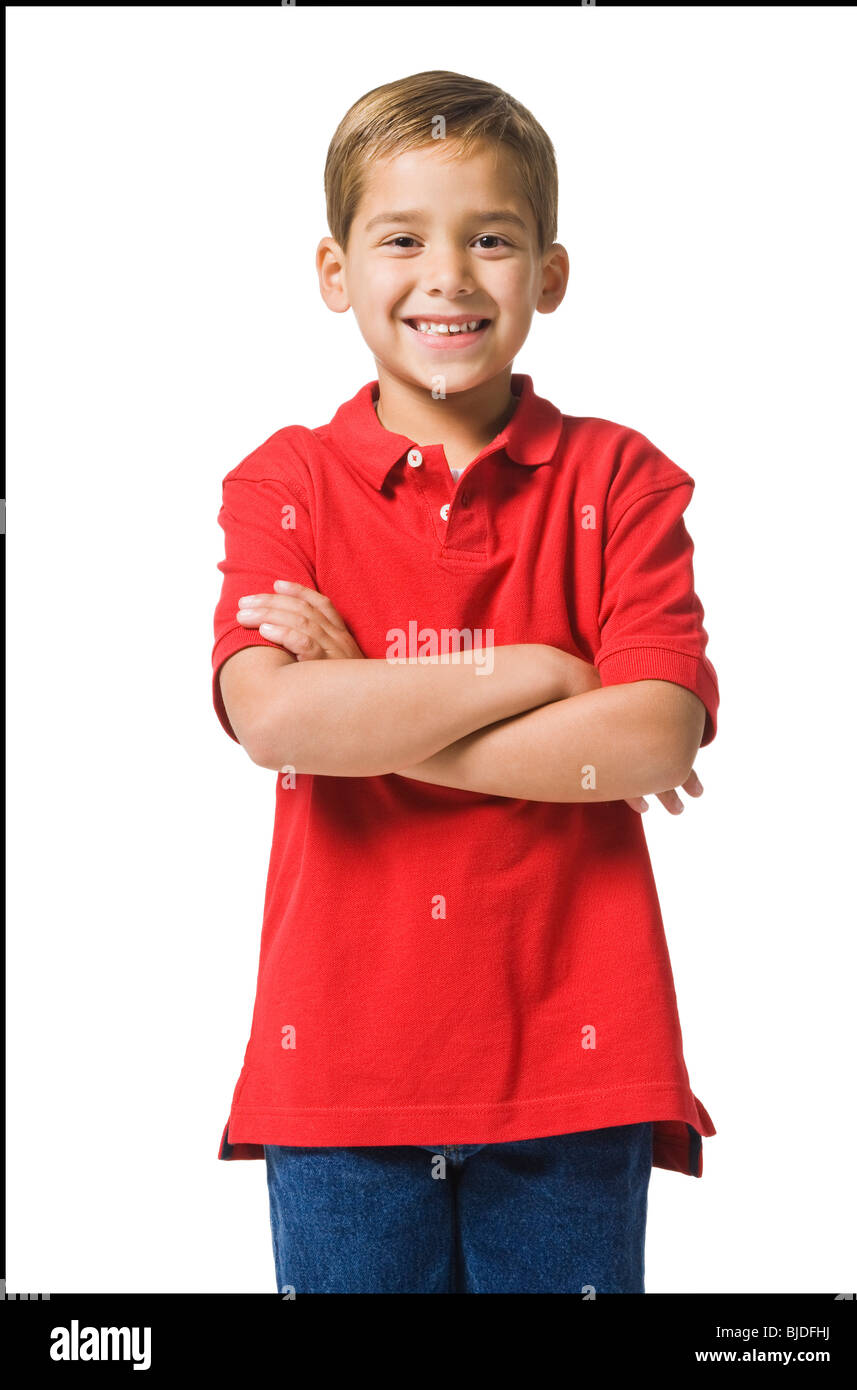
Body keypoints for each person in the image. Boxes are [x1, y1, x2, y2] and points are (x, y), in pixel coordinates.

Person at [211, 69, 720, 1295]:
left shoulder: (624, 480)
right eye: (402, 238)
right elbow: (274, 718)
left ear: (547, 272)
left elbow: (653, 733)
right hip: (340, 1075)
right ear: (336, 273)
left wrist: (372, 712)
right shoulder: (282, 483)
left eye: (490, 238)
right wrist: (547, 672)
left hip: (575, 1067)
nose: (447, 275)